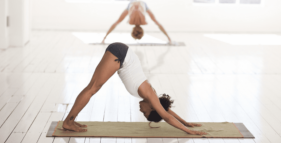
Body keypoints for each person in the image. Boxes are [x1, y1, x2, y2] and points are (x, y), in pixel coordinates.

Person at [62, 42, 207, 135]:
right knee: (93, 88)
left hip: (121, 54)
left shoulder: (152, 97)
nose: (141, 111)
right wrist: (188, 131)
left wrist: (185, 122)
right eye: (145, 113)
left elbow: (165, 110)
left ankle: (71, 120)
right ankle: (68, 122)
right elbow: (166, 116)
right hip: (120, 54)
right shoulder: (149, 94)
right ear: (152, 108)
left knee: (93, 88)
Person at [102, 1, 171, 43]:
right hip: (132, 4)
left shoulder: (143, 22)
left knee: (118, 21)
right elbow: (158, 24)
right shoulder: (130, 22)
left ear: (142, 31)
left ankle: (105, 37)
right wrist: (168, 38)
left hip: (141, 4)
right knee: (118, 21)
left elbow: (116, 23)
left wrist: (105, 37)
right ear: (133, 30)